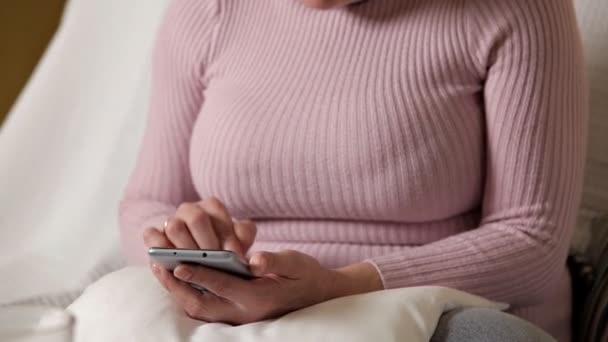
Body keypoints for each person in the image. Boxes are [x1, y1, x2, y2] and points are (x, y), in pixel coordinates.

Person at [118, 0, 587, 341]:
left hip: (441, 307)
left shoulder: (517, 9)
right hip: (231, 311)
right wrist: (183, 248)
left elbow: (532, 241)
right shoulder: (209, 11)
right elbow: (146, 203)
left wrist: (337, 286)